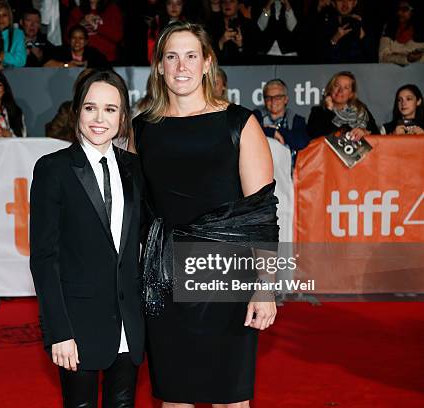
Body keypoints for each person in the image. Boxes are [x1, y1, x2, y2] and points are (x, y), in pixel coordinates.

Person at [131, 21, 278, 407]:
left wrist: (264, 287)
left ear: (207, 63)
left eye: (191, 56)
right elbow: (135, 211)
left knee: (231, 398)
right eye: (172, 57)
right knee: (174, 397)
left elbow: (260, 213)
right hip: (164, 277)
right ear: (159, 66)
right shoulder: (141, 130)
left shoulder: (239, 123)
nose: (182, 66)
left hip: (228, 277)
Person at [30, 69, 145, 408]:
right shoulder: (54, 169)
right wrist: (59, 332)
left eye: (110, 109)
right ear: (77, 110)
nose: (100, 118)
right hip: (77, 326)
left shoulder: (134, 168)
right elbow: (43, 258)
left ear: (122, 117)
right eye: (91, 107)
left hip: (128, 323)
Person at [307, 71, 378, 140]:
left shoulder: (361, 110)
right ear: (330, 89)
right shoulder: (318, 111)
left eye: (346, 88)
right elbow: (314, 136)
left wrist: (365, 132)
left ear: (351, 94)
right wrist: (329, 109)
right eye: (337, 86)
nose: (340, 90)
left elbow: (377, 136)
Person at [253, 79, 309, 153]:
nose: (273, 101)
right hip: (260, 162)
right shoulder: (255, 116)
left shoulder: (296, 120)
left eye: (278, 97)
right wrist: (271, 132)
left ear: (286, 99)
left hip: (289, 164)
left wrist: (277, 131)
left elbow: (301, 143)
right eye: (269, 97)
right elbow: (248, 135)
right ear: (264, 100)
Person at [379, 0, 424, 65]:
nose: (399, 13)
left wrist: (419, 57)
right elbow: (382, 58)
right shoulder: (389, 30)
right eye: (398, 9)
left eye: (405, 9)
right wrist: (406, 58)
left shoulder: (421, 35)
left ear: (413, 12)